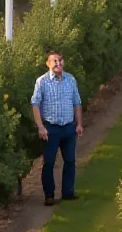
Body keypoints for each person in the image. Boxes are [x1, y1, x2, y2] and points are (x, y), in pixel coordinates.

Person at [30, 50, 83, 204]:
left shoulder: (71, 80)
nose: (58, 63)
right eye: (54, 61)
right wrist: (40, 126)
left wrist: (79, 124)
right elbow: (35, 104)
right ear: (48, 64)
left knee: (70, 161)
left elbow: (77, 103)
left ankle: (68, 192)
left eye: (60, 60)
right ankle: (49, 195)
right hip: (50, 129)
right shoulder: (42, 82)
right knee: (49, 163)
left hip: (68, 127)